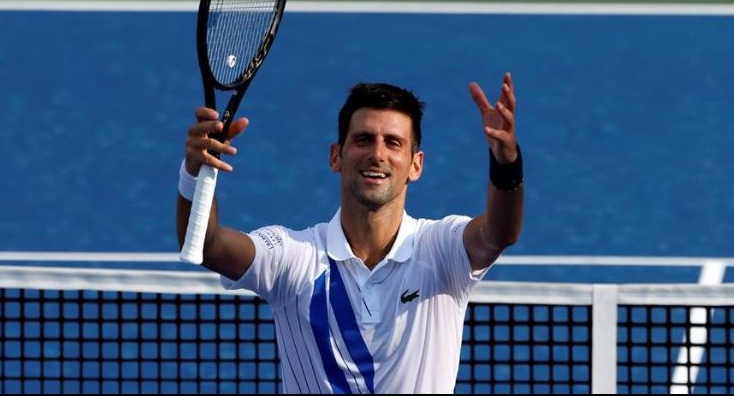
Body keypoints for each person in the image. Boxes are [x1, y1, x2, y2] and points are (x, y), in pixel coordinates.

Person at [176, 73, 524, 393]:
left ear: (415, 165)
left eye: (393, 143)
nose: (377, 154)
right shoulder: (294, 256)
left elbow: (499, 233)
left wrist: (507, 163)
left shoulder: (441, 249)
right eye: (363, 140)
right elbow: (207, 245)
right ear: (335, 156)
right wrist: (194, 173)